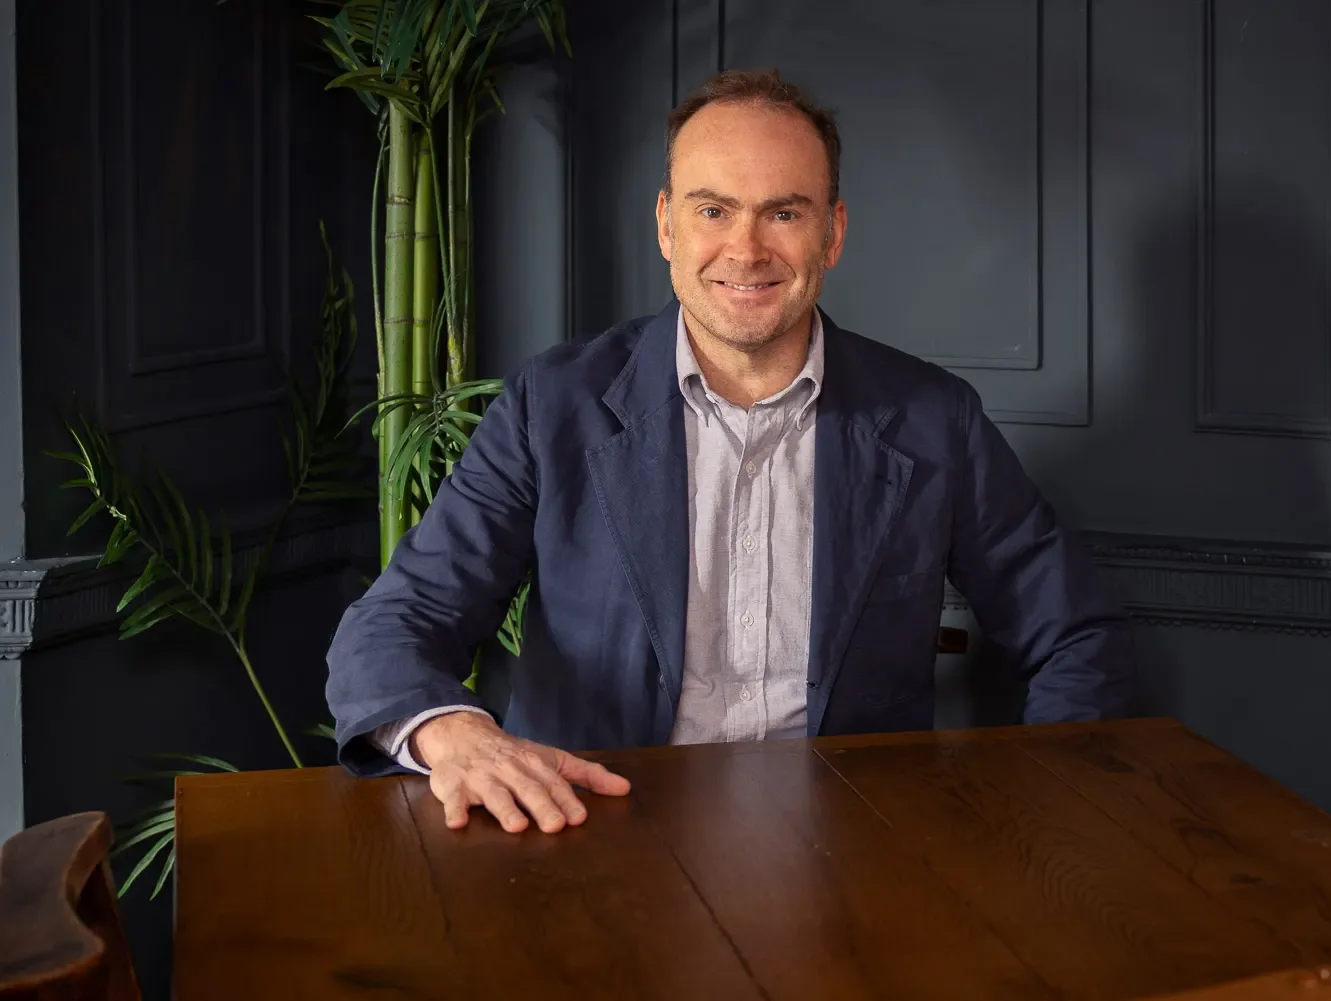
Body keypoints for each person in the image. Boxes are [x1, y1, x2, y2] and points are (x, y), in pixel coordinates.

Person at [325, 68, 1135, 836]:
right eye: (714, 211)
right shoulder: (555, 404)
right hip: (594, 840)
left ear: (833, 232)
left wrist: (1041, 801)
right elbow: (397, 622)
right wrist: (453, 734)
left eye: (783, 212)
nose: (746, 251)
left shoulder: (931, 417)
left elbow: (1076, 634)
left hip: (857, 853)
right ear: (666, 225)